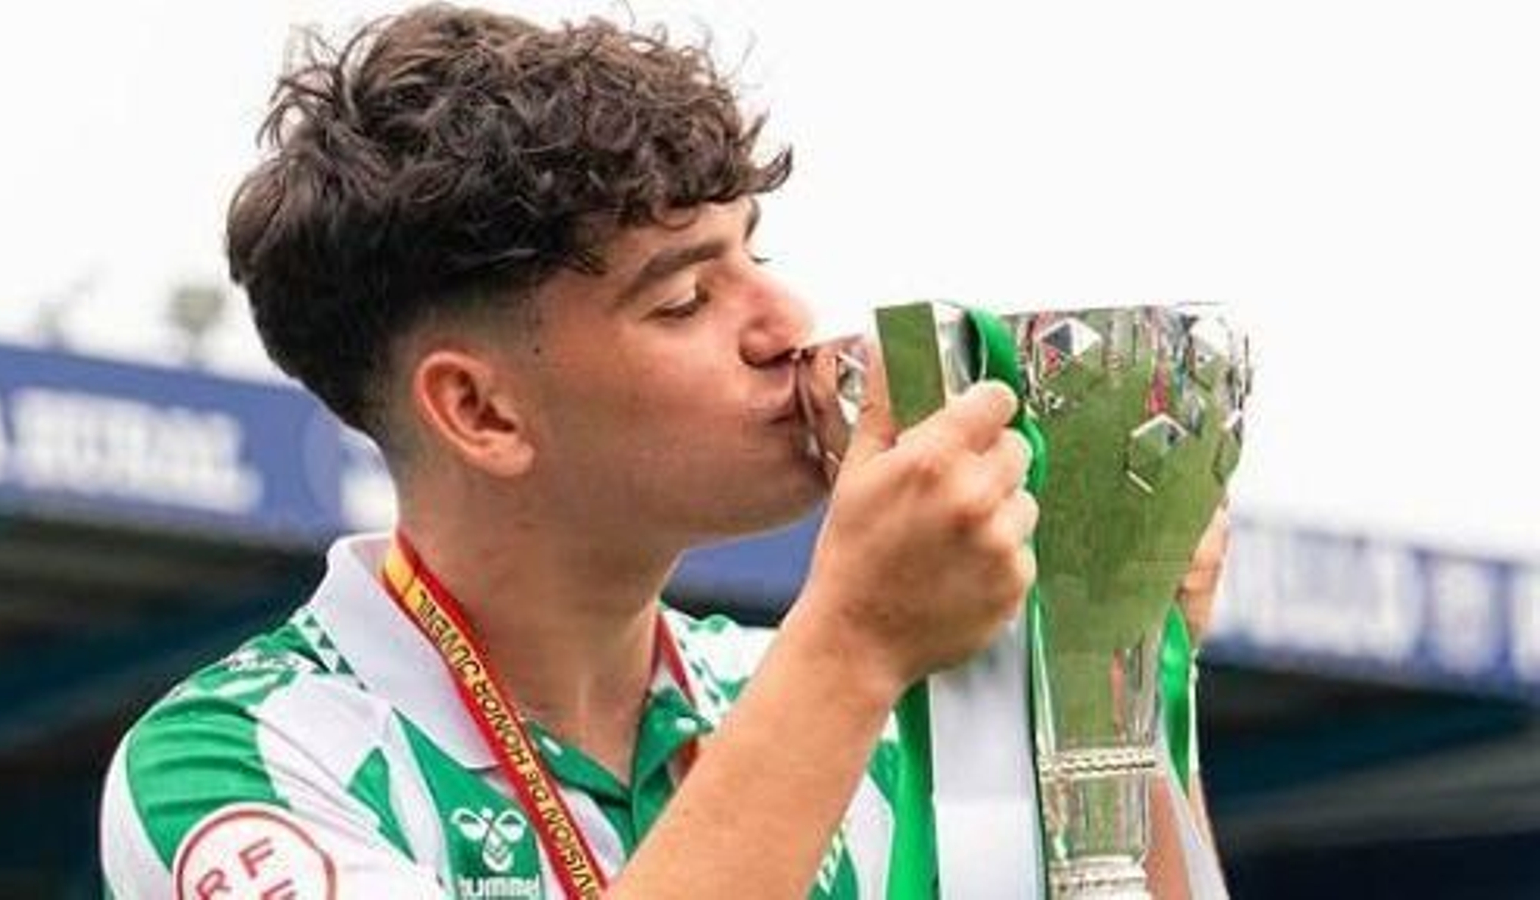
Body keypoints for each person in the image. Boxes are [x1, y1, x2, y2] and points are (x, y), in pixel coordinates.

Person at [99, 6, 1228, 898]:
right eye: (685, 298)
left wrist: (1112, 666)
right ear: (481, 412)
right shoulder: (244, 761)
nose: (785, 322)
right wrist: (850, 644)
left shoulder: (812, 701)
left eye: (753, 255)